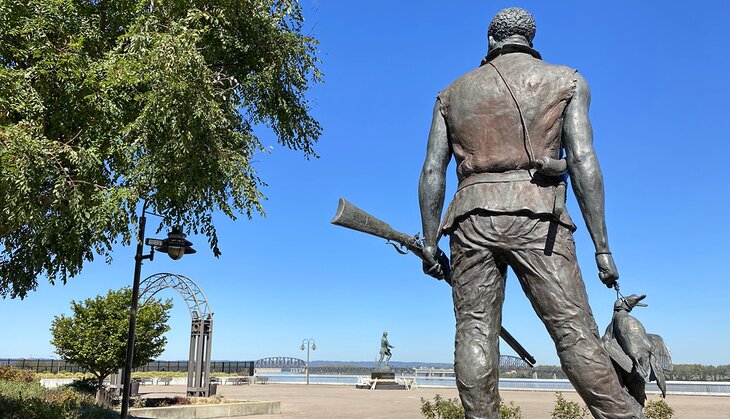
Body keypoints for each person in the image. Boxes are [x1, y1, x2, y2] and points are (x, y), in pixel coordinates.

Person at [418, 7, 645, 419]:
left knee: (474, 330)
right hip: (539, 218)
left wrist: (430, 241)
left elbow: (433, 171)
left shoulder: (450, 94)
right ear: (529, 39)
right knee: (573, 332)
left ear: (491, 41)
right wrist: (602, 247)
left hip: (470, 218)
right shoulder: (568, 80)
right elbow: (583, 161)